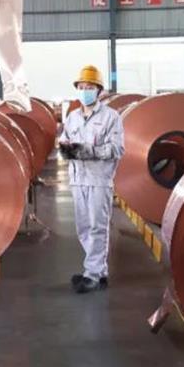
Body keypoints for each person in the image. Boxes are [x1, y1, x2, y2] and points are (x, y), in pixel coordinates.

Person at [59, 65, 124, 293]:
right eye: (81, 87)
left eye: (89, 87)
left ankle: (92, 274)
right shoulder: (73, 117)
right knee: (83, 227)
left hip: (99, 180)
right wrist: (65, 149)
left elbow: (117, 149)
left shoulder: (111, 117)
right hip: (78, 179)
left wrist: (88, 151)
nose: (85, 91)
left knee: (97, 227)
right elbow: (65, 140)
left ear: (98, 91)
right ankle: (99, 270)